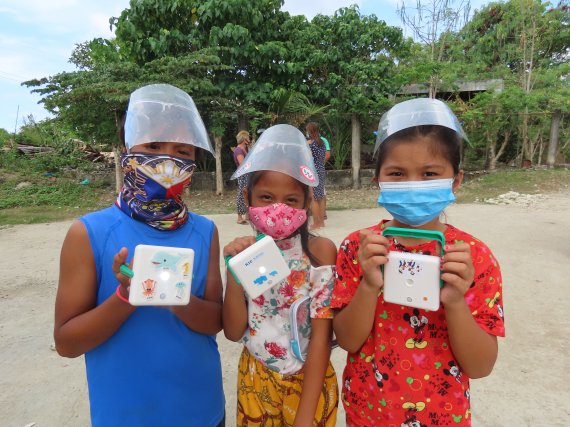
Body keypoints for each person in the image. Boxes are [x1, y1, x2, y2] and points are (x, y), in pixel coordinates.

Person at [54, 83, 225, 427]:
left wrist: (172, 297)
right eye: (154, 145)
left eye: (182, 150)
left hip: (202, 411)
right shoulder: (88, 233)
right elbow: (67, 342)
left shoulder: (205, 231)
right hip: (125, 415)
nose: (168, 160)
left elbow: (215, 322)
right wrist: (126, 297)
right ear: (127, 149)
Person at [331, 98, 505, 426]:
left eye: (429, 174)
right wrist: (369, 285)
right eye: (397, 173)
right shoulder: (359, 247)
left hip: (443, 416)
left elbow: (480, 366)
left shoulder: (473, 258)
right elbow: (349, 341)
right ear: (377, 179)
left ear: (455, 180)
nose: (412, 184)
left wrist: (455, 302)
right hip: (368, 412)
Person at [223, 124, 339, 426]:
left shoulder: (320, 252)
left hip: (309, 383)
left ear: (306, 200)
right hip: (256, 379)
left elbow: (321, 341)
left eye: (290, 200)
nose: (278, 208)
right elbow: (234, 332)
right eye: (265, 197)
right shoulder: (245, 254)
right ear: (248, 198)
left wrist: (304, 416)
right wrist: (234, 272)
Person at [305, 122, 327, 230]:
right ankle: (322, 222)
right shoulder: (322, 142)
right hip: (321, 169)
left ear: (309, 131)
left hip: (312, 172)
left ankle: (316, 223)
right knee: (321, 196)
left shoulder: (308, 143)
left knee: (313, 197)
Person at [233, 130, 250, 224]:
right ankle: (239, 217)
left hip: (246, 175)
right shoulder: (239, 150)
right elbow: (242, 164)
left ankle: (247, 215)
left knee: (247, 195)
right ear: (244, 139)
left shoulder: (244, 149)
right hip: (243, 175)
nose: (249, 138)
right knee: (241, 195)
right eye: (248, 137)